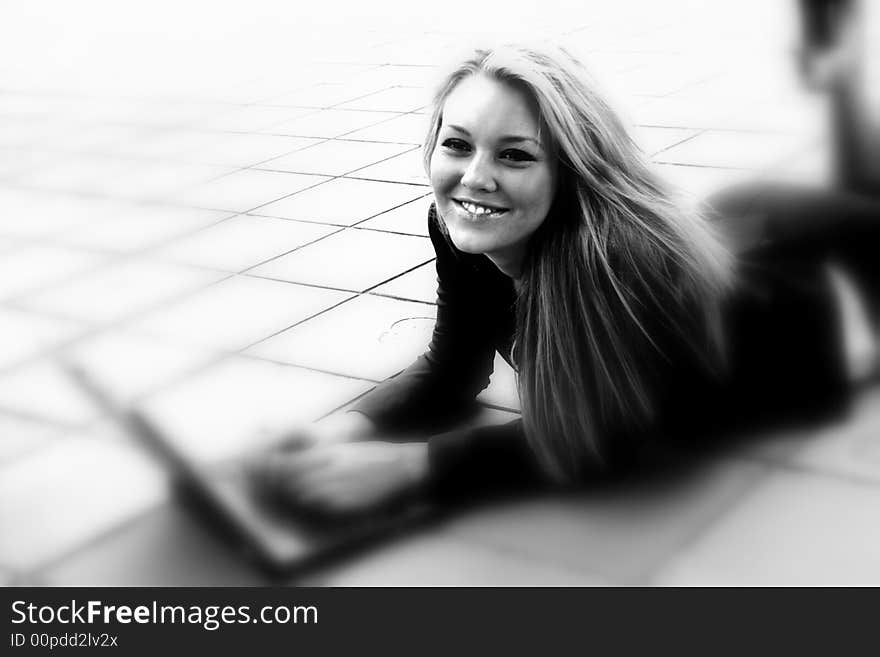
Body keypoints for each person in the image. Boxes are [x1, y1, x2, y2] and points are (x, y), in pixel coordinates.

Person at [251, 41, 880, 515]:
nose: (474, 179)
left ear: (572, 170)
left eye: (516, 154)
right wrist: (342, 428)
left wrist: (418, 467)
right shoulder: (463, 226)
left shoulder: (622, 260)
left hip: (790, 329)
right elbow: (453, 367)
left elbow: (617, 432)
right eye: (457, 144)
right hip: (737, 231)